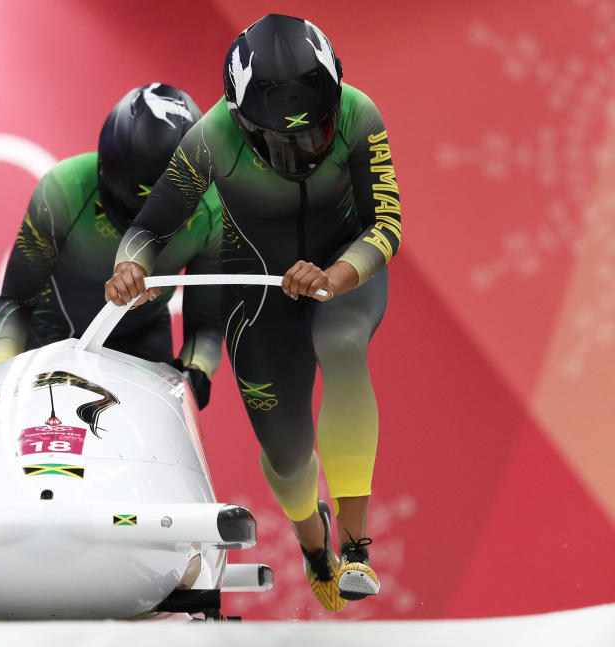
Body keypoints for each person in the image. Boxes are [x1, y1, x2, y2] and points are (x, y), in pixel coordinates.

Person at [105, 15, 400, 612]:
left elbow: (384, 224)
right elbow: (148, 229)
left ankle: (356, 546)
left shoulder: (360, 115)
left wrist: (335, 275)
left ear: (334, 101)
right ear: (242, 123)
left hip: (342, 275)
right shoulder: (209, 138)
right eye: (279, 142)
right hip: (259, 289)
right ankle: (315, 543)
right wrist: (128, 268)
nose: (302, 152)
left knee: (342, 345)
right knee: (288, 454)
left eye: (316, 134)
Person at [0, 83, 223, 407]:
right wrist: (7, 374)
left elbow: (206, 325)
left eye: (163, 214)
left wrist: (194, 372)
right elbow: (15, 301)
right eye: (132, 208)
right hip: (52, 335)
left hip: (142, 340)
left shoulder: (212, 216)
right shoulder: (64, 190)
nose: (143, 224)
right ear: (104, 176)